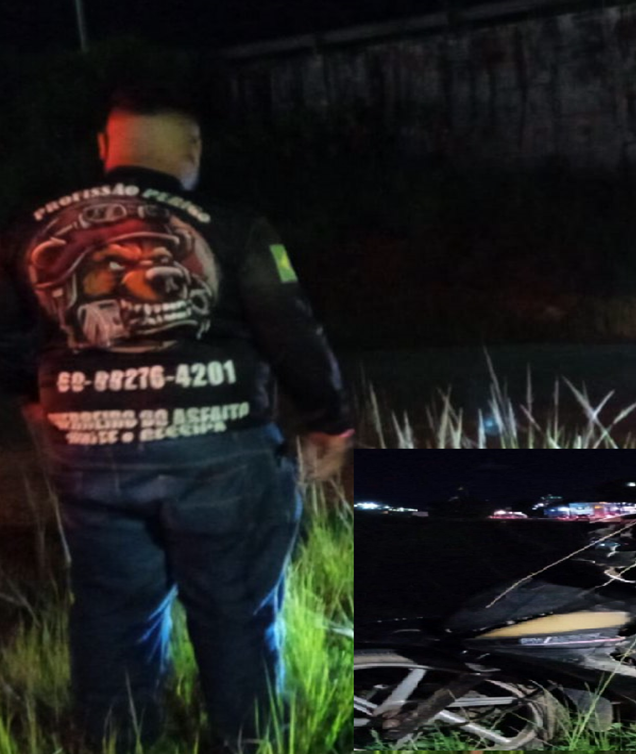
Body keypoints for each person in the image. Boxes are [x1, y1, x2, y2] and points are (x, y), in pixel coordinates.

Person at [0, 87, 353, 752]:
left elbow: (9, 337)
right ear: (191, 150)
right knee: (237, 621)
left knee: (110, 615)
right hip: (220, 452)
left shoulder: (28, 228)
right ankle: (246, 744)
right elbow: (289, 326)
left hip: (91, 458)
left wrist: (38, 399)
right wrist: (328, 419)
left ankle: (116, 743)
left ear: (106, 148)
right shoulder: (232, 222)